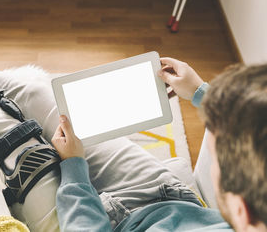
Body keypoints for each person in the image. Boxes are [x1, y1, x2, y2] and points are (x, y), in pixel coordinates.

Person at [0, 0, 245, 231]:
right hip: (169, 197)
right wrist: (199, 92)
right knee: (41, 94)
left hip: (89, 223)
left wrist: (74, 166)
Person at [53, 58, 267, 231]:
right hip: (174, 199)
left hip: (112, 218)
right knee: (50, 105)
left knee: (37, 99)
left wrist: (73, 166)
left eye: (215, 161)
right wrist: (199, 92)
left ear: (241, 211)